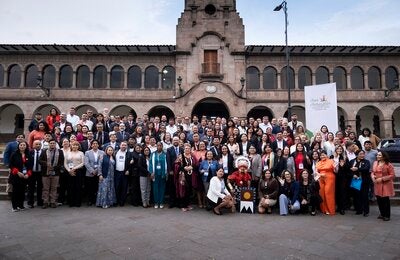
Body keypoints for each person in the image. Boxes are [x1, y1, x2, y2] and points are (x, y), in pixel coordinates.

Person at [39, 139, 64, 209]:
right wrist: (46, 164)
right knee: (45, 188)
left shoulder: (60, 152)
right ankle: (45, 202)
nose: (52, 144)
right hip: (45, 173)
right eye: (51, 143)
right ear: (49, 144)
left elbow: (61, 162)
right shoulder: (44, 151)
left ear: (55, 144)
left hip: (56, 173)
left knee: (54, 188)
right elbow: (40, 160)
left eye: (53, 143)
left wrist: (54, 168)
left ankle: (53, 202)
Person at [371, 151, 395, 221]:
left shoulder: (389, 164)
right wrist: (372, 177)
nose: (377, 156)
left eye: (379, 155)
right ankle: (382, 214)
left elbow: (392, 175)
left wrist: (382, 179)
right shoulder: (375, 163)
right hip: (377, 184)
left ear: (384, 156)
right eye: (377, 155)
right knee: (379, 200)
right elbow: (373, 172)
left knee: (385, 201)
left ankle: (387, 215)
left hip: (386, 184)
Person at [9, 141, 32, 212]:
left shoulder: (28, 154)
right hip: (16, 176)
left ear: (26, 146)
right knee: (16, 192)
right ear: (18, 146)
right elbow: (11, 165)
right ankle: (14, 207)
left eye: (24, 145)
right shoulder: (14, 154)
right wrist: (18, 172)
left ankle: (21, 205)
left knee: (22, 192)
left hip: (25, 176)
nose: (22, 146)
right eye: (21, 145)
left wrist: (28, 174)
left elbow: (30, 166)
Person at [349, 150, 370, 216]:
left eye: (363, 154)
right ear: (357, 154)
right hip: (355, 181)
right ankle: (359, 209)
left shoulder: (366, 161)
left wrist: (357, 169)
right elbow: (348, 170)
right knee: (356, 196)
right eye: (360, 154)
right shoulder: (352, 161)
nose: (362, 155)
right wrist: (352, 175)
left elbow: (366, 169)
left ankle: (366, 211)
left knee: (364, 196)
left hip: (364, 181)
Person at [84, 140, 105, 206]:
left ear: (98, 145)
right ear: (91, 145)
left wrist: (96, 170)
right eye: (93, 143)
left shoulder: (102, 152)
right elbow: (86, 163)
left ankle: (96, 200)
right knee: (90, 188)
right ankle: (90, 200)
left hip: (99, 173)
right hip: (90, 173)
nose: (95, 145)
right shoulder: (87, 152)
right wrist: (92, 171)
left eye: (96, 143)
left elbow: (102, 163)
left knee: (97, 187)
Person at [64, 141, 85, 207]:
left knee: (78, 187)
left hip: (78, 171)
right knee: (70, 187)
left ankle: (77, 202)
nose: (75, 146)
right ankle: (71, 202)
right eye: (73, 145)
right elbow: (65, 163)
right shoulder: (68, 153)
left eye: (76, 145)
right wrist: (69, 170)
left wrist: (74, 168)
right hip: (69, 172)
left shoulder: (81, 153)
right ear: (71, 146)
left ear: (78, 146)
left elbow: (83, 163)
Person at [316, 150, 336, 215]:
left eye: (324, 154)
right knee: (321, 193)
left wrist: (336, 166)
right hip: (321, 178)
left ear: (326, 155)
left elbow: (335, 170)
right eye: (321, 155)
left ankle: (330, 209)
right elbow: (316, 171)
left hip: (329, 177)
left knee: (328, 193)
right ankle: (324, 209)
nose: (322, 156)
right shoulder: (318, 162)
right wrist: (318, 175)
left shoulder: (331, 161)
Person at [149, 142, 168, 209]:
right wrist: (151, 172)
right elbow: (150, 163)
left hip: (162, 173)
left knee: (162, 188)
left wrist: (165, 173)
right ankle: (156, 202)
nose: (159, 147)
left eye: (160, 145)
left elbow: (167, 164)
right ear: (156, 146)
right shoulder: (153, 154)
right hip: (155, 174)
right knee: (155, 189)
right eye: (158, 145)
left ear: (162, 146)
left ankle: (161, 202)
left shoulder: (165, 154)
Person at [331, 145, 349, 215]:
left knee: (342, 192)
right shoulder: (332, 157)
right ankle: (337, 206)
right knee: (336, 192)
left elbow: (348, 167)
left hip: (342, 177)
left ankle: (342, 208)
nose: (339, 150)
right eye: (338, 149)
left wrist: (342, 166)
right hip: (334, 176)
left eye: (340, 149)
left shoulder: (344, 157)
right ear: (335, 150)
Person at [28, 140, 44, 208]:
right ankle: (30, 202)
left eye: (39, 144)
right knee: (31, 188)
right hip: (32, 173)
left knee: (40, 188)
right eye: (36, 144)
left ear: (41, 145)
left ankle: (39, 201)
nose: (38, 145)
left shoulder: (44, 152)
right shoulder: (29, 152)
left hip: (41, 173)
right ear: (33, 145)